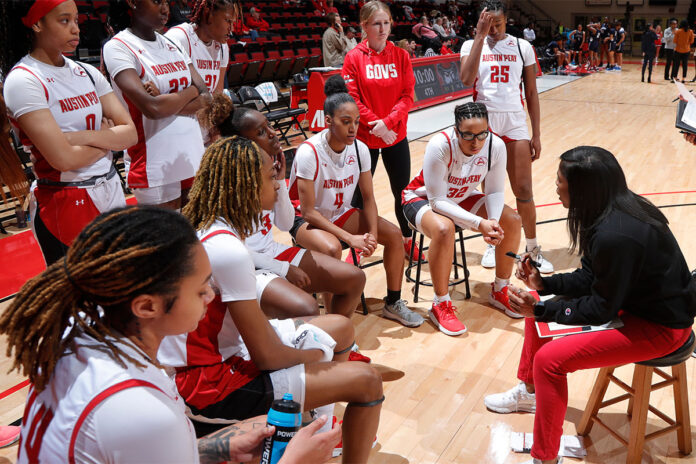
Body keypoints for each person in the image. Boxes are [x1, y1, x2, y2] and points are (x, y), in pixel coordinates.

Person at [0, 206, 340, 463]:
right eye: (200, 288)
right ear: (147, 306)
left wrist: (214, 446)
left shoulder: (75, 336)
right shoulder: (140, 411)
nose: (211, 295)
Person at [161, 136, 383, 463]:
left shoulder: (212, 228)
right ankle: (319, 424)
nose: (278, 185)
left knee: (340, 327)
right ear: (247, 185)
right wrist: (314, 354)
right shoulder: (229, 250)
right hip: (210, 386)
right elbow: (265, 356)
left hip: (214, 357)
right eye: (270, 177)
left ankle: (319, 426)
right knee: (367, 381)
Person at [484, 146, 696, 464]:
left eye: (560, 182)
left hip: (662, 327)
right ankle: (529, 392)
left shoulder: (616, 234)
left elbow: (601, 309)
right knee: (536, 312)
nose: (555, 186)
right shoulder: (607, 211)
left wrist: (542, 308)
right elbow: (591, 276)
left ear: (583, 189)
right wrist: (544, 286)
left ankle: (545, 458)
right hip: (634, 304)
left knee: (550, 360)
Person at [197, 94, 366, 326]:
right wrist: (283, 269)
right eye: (261, 132)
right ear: (241, 143)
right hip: (249, 264)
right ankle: (316, 347)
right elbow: (235, 251)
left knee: (354, 278)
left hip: (271, 250)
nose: (273, 133)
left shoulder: (267, 171)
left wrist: (281, 181)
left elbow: (285, 224)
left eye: (268, 125)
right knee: (305, 306)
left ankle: (334, 340)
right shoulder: (227, 184)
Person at [1, 0, 137, 265]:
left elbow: (130, 135)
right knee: (79, 300)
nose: (75, 29)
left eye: (75, 20)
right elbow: (62, 160)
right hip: (64, 201)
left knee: (120, 286)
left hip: (110, 187)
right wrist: (108, 139)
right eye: (64, 21)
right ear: (37, 24)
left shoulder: (86, 72)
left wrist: (80, 138)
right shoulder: (24, 79)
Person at [290, 76, 424, 328]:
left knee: (394, 235)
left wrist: (371, 234)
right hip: (305, 219)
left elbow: (370, 198)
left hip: (340, 213)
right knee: (332, 249)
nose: (353, 128)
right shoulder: (309, 151)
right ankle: (334, 324)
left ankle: (393, 302)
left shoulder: (360, 149)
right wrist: (351, 239)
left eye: (356, 122)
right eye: (345, 122)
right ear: (328, 121)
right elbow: (308, 211)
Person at [401, 102, 522, 336]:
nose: (475, 142)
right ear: (456, 131)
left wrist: (493, 222)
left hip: (462, 195)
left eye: (481, 134)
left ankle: (500, 289)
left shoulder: (494, 145)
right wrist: (479, 224)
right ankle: (440, 303)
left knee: (512, 219)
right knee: (444, 228)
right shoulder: (440, 144)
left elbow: (495, 191)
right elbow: (437, 201)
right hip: (420, 198)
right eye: (468, 135)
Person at [460, 0, 553, 274]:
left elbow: (532, 92)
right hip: (483, 121)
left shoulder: (522, 46)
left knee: (523, 189)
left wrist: (536, 133)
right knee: (492, 190)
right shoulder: (470, 45)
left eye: (497, 24)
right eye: (487, 25)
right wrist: (479, 36)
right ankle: (493, 243)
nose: (493, 30)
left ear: (506, 20)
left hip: (514, 121)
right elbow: (466, 79)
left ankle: (533, 249)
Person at [103, 0, 209, 209]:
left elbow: (207, 96)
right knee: (166, 240)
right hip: (153, 163)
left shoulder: (172, 44)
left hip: (192, 154)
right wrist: (191, 92)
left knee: (196, 235)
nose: (165, 9)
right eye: (157, 1)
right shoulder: (118, 47)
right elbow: (152, 109)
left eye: (166, 3)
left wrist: (167, 98)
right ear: (132, 3)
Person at [344, 0, 422, 261]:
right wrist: (377, 126)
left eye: (386, 22)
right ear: (364, 25)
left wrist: (387, 124)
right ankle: (356, 244)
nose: (382, 28)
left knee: (402, 191)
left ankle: (407, 239)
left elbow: (407, 95)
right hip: (365, 138)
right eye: (376, 23)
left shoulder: (400, 56)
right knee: (359, 194)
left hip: (395, 135)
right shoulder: (353, 57)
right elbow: (353, 100)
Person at [165, 0, 233, 145]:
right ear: (209, 15)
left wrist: (215, 129)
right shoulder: (179, 38)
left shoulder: (222, 47)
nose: (231, 28)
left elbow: (216, 95)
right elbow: (164, 100)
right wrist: (202, 100)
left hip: (203, 134)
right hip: (175, 132)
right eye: (227, 20)